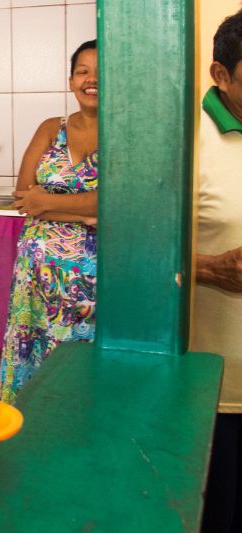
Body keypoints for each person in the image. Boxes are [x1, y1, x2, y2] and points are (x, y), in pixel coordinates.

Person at [0, 40, 99, 404]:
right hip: (36, 280)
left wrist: (48, 202)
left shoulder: (128, 134)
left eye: (102, 72)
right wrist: (85, 211)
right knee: (35, 363)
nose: (92, 79)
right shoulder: (50, 128)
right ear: (71, 79)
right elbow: (24, 198)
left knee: (83, 370)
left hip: (94, 284)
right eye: (83, 71)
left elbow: (122, 204)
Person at [192, 10, 242, 533]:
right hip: (219, 394)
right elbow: (126, 247)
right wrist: (207, 267)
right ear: (220, 75)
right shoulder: (187, 145)